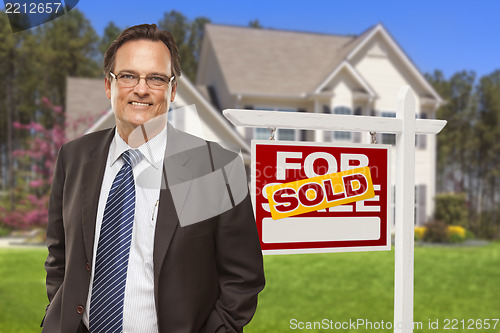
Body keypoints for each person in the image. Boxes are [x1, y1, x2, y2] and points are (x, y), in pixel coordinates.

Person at [42, 23, 265, 333]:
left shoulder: (213, 167)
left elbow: (243, 277)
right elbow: (59, 255)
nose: (141, 89)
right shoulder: (75, 157)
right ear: (109, 85)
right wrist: (60, 313)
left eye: (156, 78)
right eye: (128, 76)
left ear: (172, 90)